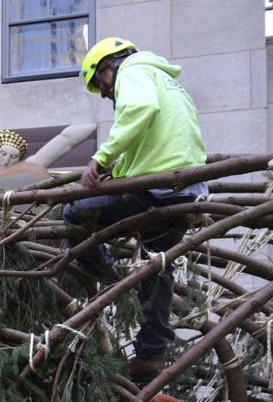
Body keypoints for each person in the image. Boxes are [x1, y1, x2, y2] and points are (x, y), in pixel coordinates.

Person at [63, 37, 208, 384]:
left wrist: (100, 159)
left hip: (156, 192)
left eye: (102, 87)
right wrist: (119, 173)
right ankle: (150, 356)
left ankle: (108, 275)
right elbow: (153, 139)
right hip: (186, 192)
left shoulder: (134, 70)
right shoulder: (167, 81)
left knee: (74, 214)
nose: (108, 96)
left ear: (108, 66)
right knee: (155, 268)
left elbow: (139, 111)